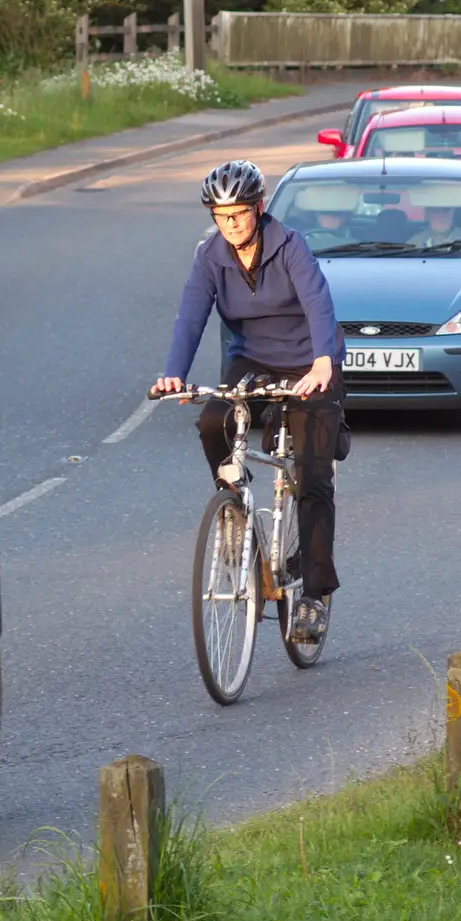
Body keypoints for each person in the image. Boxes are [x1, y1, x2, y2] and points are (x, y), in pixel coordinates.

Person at [150, 161, 347, 642]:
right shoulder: (210, 257)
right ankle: (233, 505)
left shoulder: (290, 246)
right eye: (221, 215)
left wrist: (323, 362)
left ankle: (315, 596)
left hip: (308, 364)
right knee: (211, 421)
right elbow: (190, 315)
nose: (231, 223)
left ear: (259, 208)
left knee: (313, 476)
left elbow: (319, 303)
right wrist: (173, 372)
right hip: (252, 361)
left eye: (239, 213)